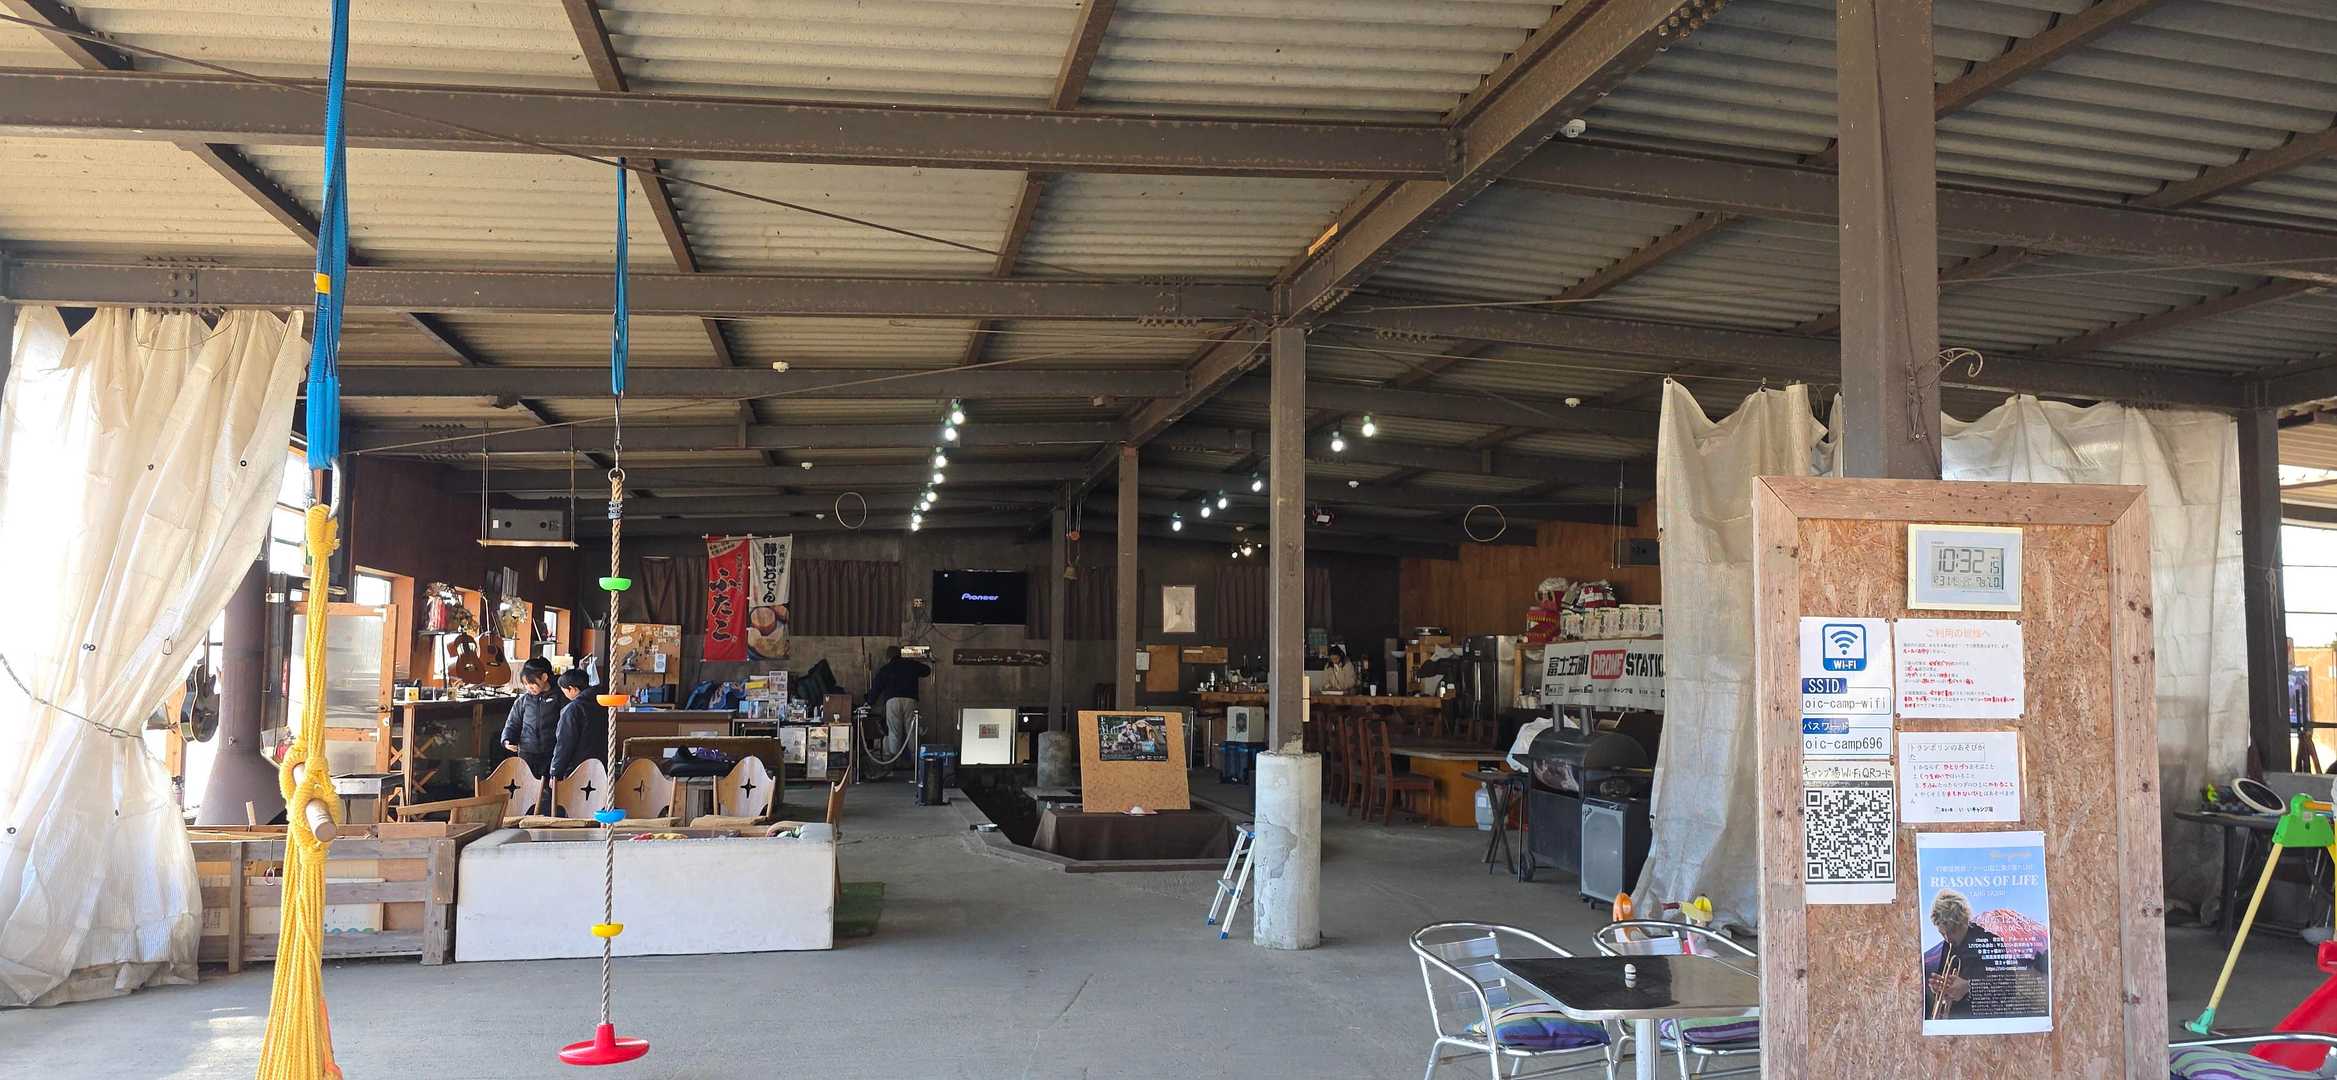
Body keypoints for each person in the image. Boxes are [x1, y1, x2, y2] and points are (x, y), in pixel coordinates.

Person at [1921, 888, 2040, 1020]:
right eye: (1942, 933)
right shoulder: (1947, 946)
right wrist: (1940, 989)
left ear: (1963, 920)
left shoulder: (1990, 941)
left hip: (1985, 1022)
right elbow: (1946, 990)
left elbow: (2008, 988)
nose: (1948, 938)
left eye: (1952, 931)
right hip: (1955, 1021)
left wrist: (1969, 987)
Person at [499, 657, 564, 782]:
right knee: (527, 785)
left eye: (532, 683)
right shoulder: (523, 701)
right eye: (525, 684)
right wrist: (507, 740)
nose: (529, 687)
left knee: (549, 787)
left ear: (544, 677)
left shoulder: (559, 697)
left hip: (551, 752)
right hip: (527, 752)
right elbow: (513, 723)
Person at [865, 645, 931, 759]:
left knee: (894, 731)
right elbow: (927, 671)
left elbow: (876, 688)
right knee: (911, 730)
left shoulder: (886, 668)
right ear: (901, 654)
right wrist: (913, 661)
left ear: (888, 657)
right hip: (910, 700)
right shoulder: (910, 665)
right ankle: (915, 760)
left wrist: (869, 702)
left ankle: (893, 759)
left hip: (892, 701)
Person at [550, 669, 609, 780]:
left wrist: (555, 772)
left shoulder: (573, 709)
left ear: (573, 689)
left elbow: (565, 743)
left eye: (564, 691)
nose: (565, 695)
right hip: (602, 764)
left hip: (578, 767)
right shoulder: (603, 704)